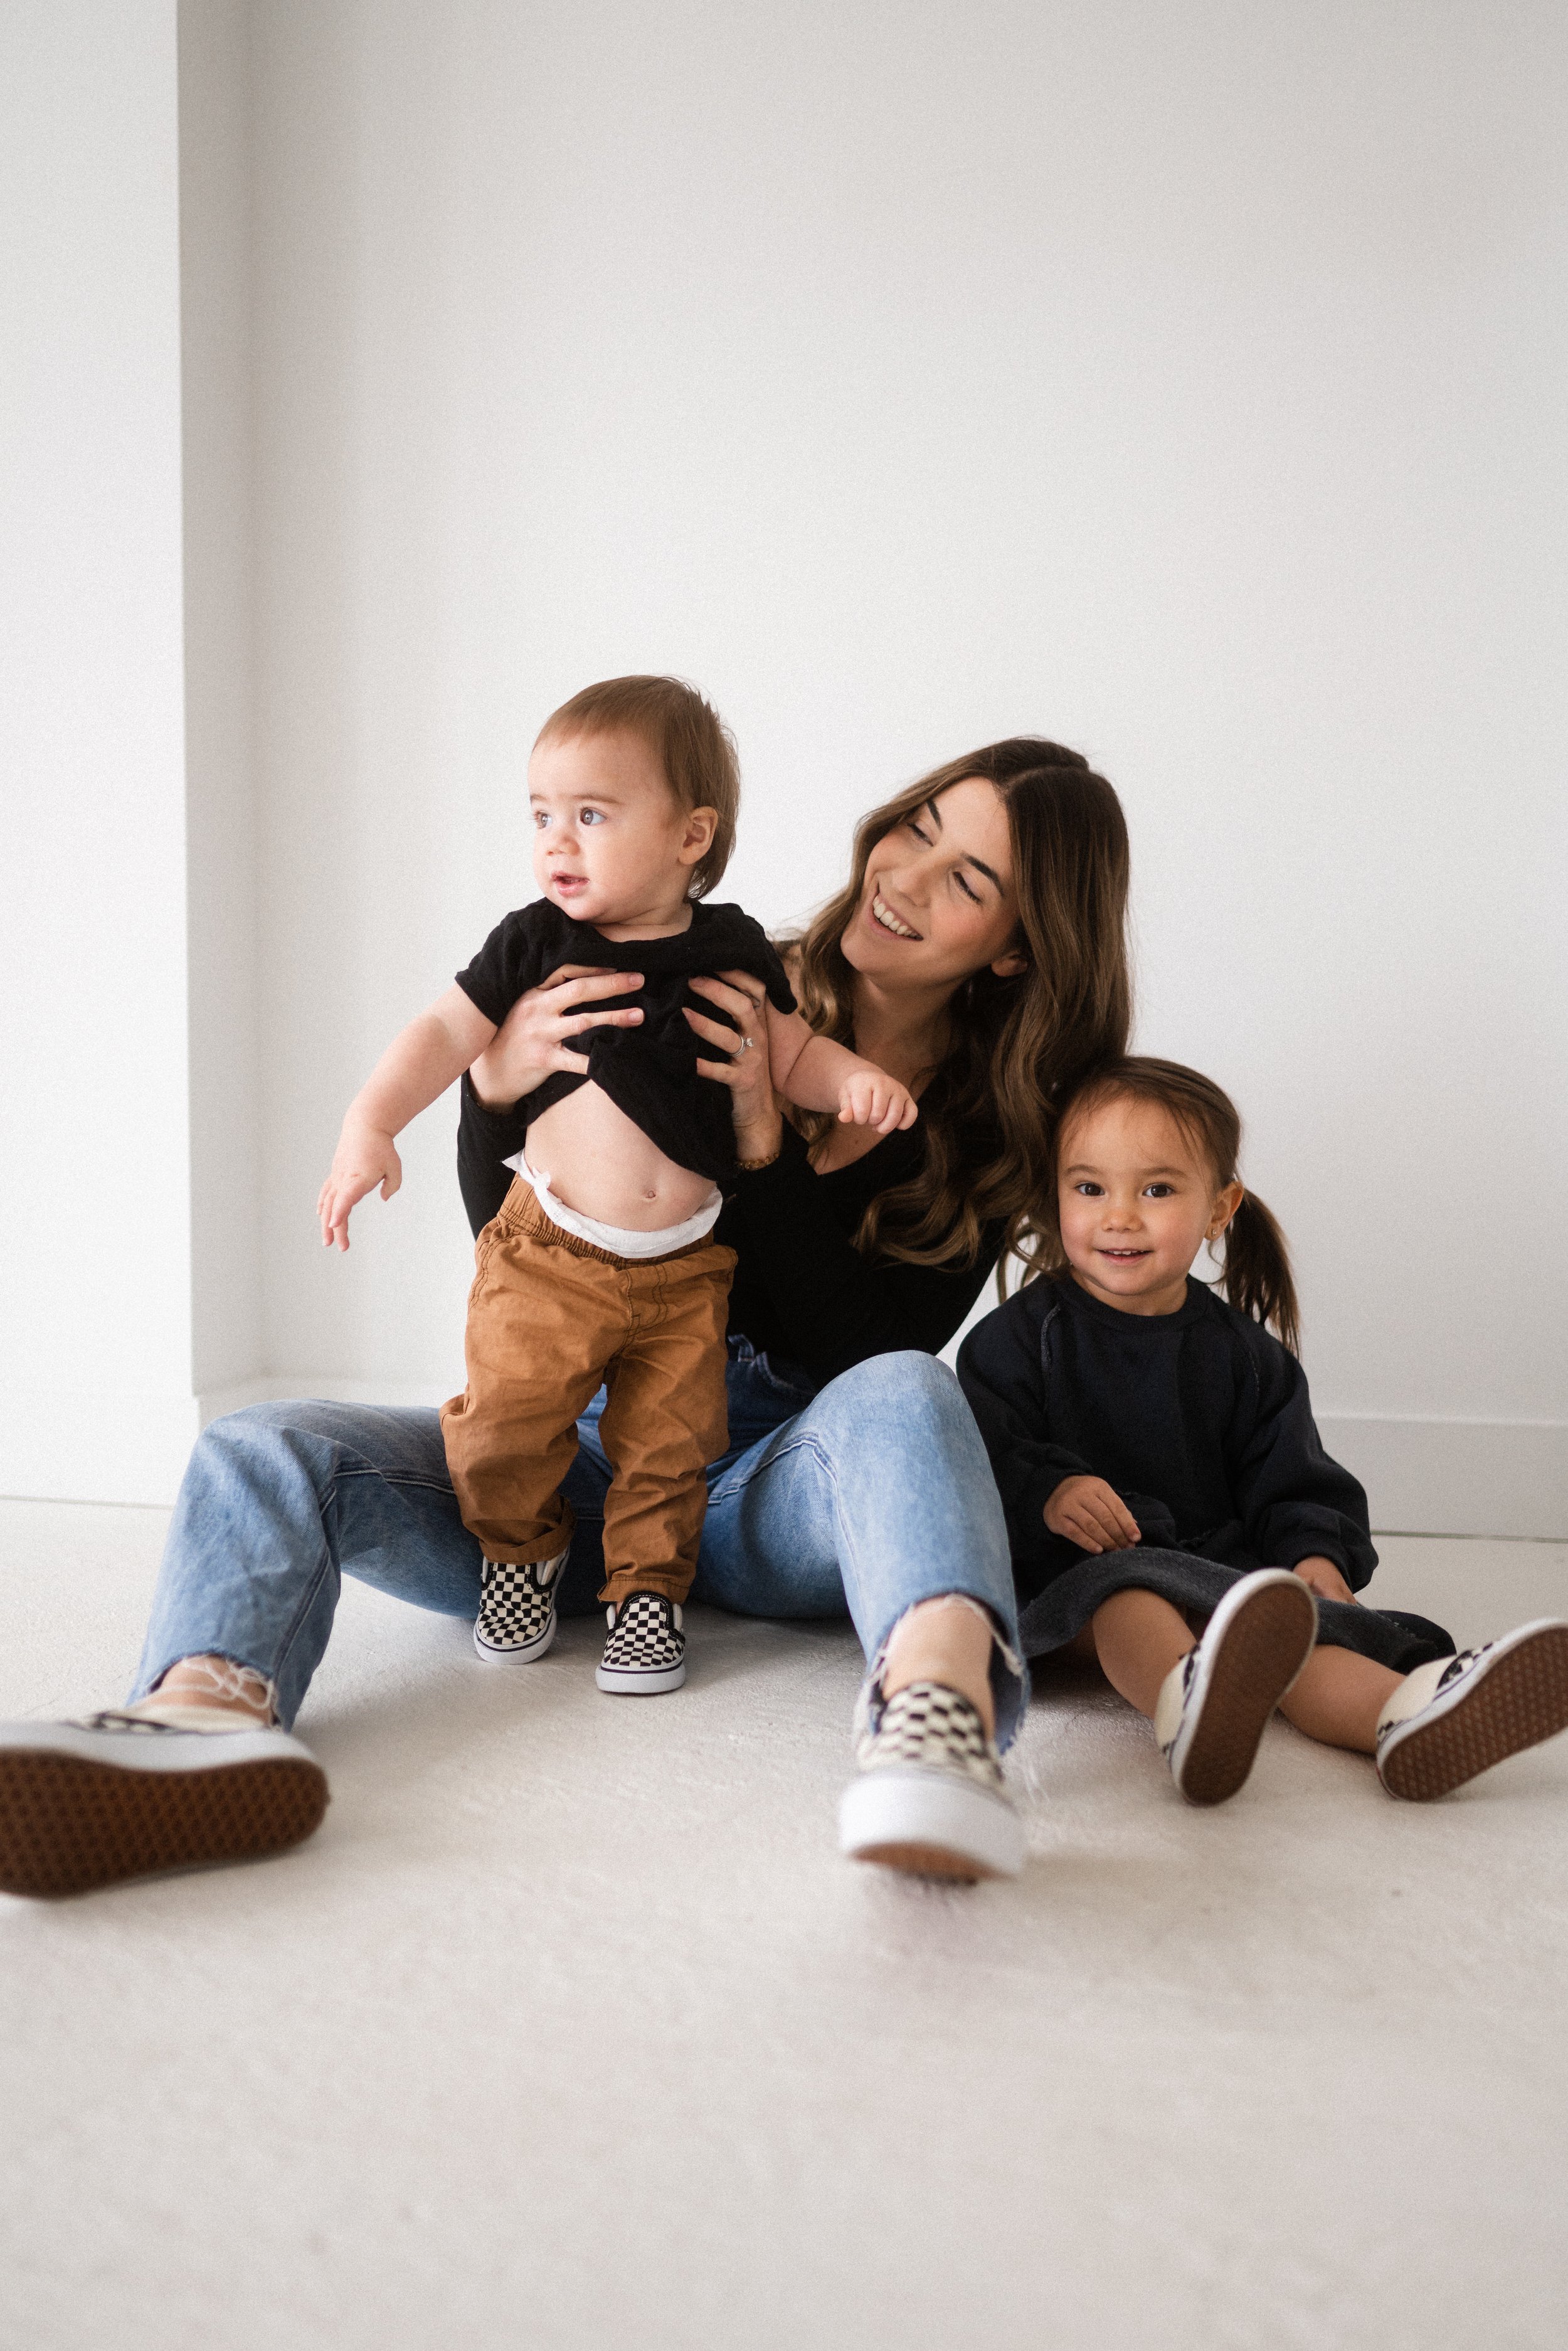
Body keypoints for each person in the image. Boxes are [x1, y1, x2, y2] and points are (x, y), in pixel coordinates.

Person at [0, 735, 1132, 1901]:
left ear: (1015, 951)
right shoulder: (713, 961)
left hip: (764, 1494)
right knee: (260, 1444)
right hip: (562, 1473)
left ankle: (936, 1728)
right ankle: (202, 1715)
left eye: (967, 881)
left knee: (908, 1387)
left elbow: (853, 1352)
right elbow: (528, 1244)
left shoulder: (993, 1127)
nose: (905, 875)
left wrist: (759, 1142)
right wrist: (494, 1097)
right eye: (920, 826)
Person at [317, 677, 916, 1697]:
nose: (558, 840)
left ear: (691, 835)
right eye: (542, 814)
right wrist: (367, 1124)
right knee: (508, 1418)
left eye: (591, 815)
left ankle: (647, 1594)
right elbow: (442, 1037)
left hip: (687, 1271)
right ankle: (520, 1555)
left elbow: (791, 1047)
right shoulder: (534, 943)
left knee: (667, 1447)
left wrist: (851, 1079)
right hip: (548, 1254)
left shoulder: (729, 946)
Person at [957, 1056, 1568, 1805]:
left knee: (1298, 1628)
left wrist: (1313, 1554)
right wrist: (1049, 1490)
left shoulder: (1248, 1359)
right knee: (1129, 1594)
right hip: (1071, 1578)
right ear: (1055, 1198)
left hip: (1220, 1576)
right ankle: (1187, 1705)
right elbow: (980, 1453)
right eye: (1089, 1188)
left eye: (1156, 1189)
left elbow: (1293, 1477)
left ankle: (1404, 1714)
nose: (1119, 1215)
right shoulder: (1017, 1340)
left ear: (1220, 1208)